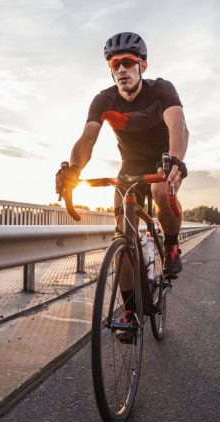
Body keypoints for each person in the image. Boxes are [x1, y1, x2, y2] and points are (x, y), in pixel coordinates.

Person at [56, 32, 189, 337]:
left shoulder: (161, 89)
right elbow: (87, 140)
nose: (121, 69)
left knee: (159, 190)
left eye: (128, 62)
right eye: (115, 64)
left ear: (142, 64)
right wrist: (74, 169)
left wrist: (177, 161)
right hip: (131, 165)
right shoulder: (105, 99)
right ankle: (129, 311)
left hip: (165, 154)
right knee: (124, 239)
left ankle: (170, 245)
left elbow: (177, 124)